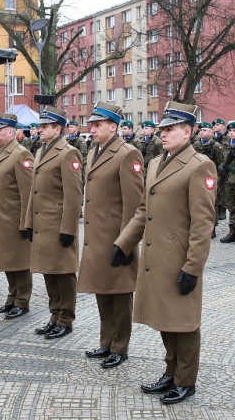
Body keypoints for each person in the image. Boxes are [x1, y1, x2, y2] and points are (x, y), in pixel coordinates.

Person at [114, 101, 216, 404]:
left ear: (188, 131)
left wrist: (193, 267)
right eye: (162, 129)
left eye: (170, 129)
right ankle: (171, 372)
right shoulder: (157, 162)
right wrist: (124, 243)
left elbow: (203, 223)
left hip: (179, 259)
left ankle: (185, 380)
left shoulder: (200, 166)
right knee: (164, 319)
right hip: (155, 258)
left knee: (183, 322)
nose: (164, 134)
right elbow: (144, 210)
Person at [78, 102, 144, 369]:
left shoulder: (127, 154)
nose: (91, 129)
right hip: (97, 238)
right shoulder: (94, 152)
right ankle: (106, 341)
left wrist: (126, 243)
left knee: (119, 295)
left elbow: (134, 204)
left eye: (97, 125)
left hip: (116, 239)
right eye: (91, 125)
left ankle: (120, 347)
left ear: (113, 126)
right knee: (102, 292)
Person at [24, 106, 83, 340]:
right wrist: (28, 222)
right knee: (49, 271)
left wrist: (69, 228)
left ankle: (65, 319)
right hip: (43, 224)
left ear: (57, 128)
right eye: (40, 126)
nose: (40, 129)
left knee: (64, 273)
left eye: (45, 126)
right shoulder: (41, 151)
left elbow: (73, 194)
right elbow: (33, 191)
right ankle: (54, 316)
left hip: (59, 224)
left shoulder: (68, 153)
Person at [0, 113, 34, 319]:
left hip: (13, 220)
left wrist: (25, 222)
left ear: (11, 132)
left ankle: (22, 301)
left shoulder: (21, 155)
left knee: (19, 263)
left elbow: (27, 192)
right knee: (6, 261)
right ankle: (12, 298)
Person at [192, 122, 224, 236]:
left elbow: (221, 163)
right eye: (200, 130)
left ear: (211, 132)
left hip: (210, 178)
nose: (202, 132)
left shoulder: (216, 146)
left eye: (205, 130)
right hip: (196, 176)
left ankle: (212, 228)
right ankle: (199, 226)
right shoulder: (194, 144)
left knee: (210, 203)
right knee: (197, 202)